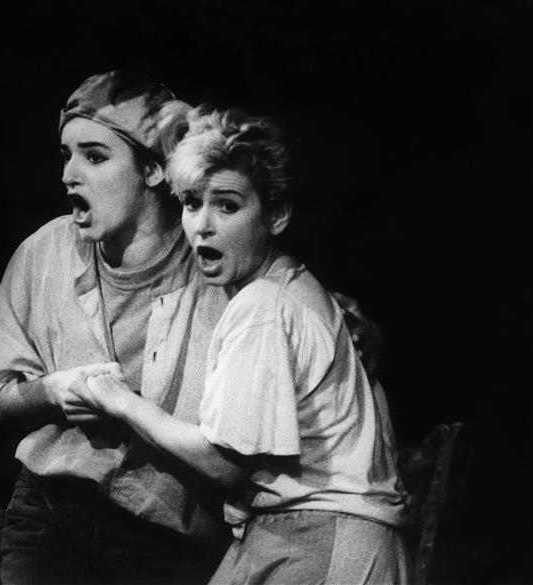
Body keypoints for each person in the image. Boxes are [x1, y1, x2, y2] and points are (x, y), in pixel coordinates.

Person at [72, 107, 411, 584]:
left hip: (325, 537)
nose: (202, 225)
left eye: (228, 206)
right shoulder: (291, 287)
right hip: (312, 534)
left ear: (276, 216)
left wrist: (121, 402)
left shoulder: (263, 305)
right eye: (192, 203)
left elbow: (222, 461)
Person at [0, 71, 232, 585]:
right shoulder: (43, 254)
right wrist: (52, 391)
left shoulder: (214, 264)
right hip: (50, 510)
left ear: (153, 170)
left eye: (95, 157)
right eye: (66, 155)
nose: (69, 175)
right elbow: (4, 397)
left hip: (164, 533)